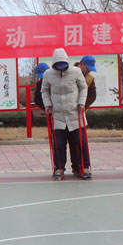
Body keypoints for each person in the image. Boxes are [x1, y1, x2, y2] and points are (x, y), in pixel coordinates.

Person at [41, 48, 90, 181]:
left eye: (63, 65)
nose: (61, 68)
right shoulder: (48, 74)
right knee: (59, 145)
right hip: (58, 116)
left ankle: (84, 167)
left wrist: (81, 103)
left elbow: (83, 87)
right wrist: (47, 105)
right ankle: (59, 168)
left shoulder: (76, 71)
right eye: (58, 65)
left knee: (80, 143)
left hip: (75, 114)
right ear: (54, 64)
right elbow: (44, 91)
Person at [67, 55, 98, 176]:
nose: (89, 71)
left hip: (79, 113)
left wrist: (83, 105)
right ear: (82, 64)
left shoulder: (89, 78)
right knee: (71, 142)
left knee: (81, 141)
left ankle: (84, 166)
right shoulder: (69, 73)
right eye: (88, 68)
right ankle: (75, 167)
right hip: (66, 113)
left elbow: (92, 95)